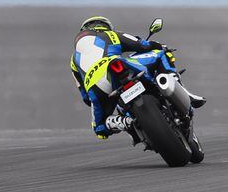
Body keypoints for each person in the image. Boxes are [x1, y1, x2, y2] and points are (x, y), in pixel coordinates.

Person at [70, 15, 205, 139]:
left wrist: (98, 99)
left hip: (95, 87)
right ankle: (186, 94)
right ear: (104, 26)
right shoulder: (111, 35)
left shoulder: (73, 60)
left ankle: (125, 122)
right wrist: (159, 46)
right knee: (160, 54)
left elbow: (85, 97)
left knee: (99, 129)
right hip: (117, 65)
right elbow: (142, 45)